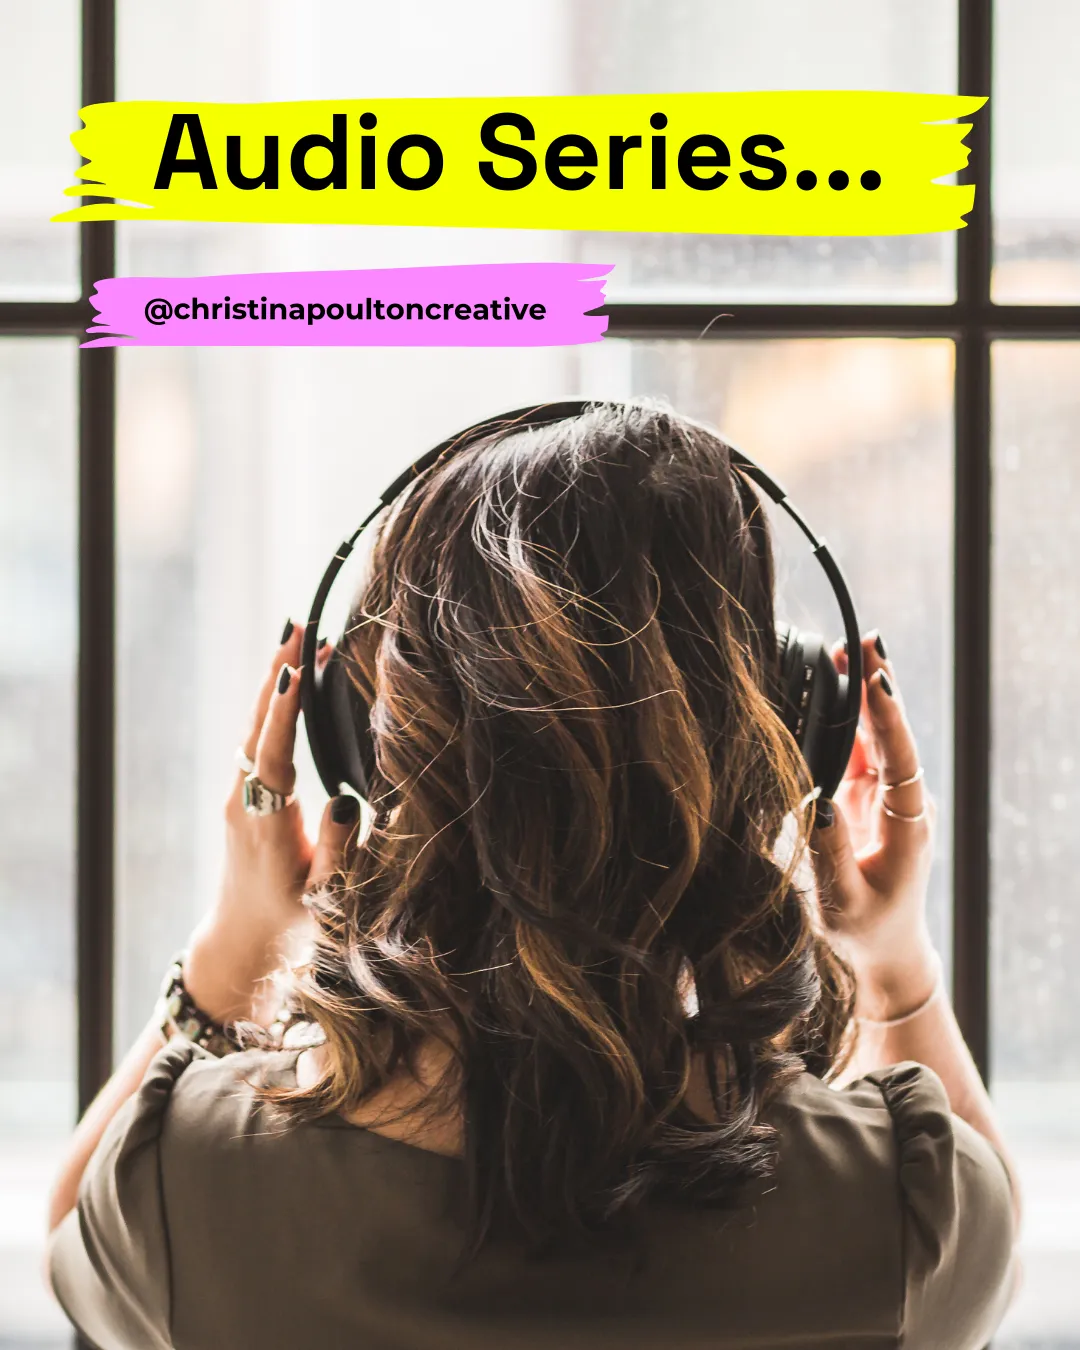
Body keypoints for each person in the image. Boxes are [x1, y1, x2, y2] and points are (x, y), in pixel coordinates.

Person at [46, 401, 1019, 1349]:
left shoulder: (190, 1184)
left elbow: (71, 1249)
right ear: (787, 735)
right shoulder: (904, 1210)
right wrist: (897, 965)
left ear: (362, 748)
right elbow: (989, 1259)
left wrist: (233, 951)